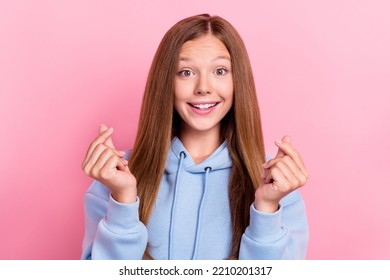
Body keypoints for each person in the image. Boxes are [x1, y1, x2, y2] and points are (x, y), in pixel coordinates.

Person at [81, 14, 309, 260]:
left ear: (238, 81)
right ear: (165, 81)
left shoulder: (278, 186)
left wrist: (266, 210)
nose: (203, 87)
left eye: (220, 71)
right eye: (186, 72)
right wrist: (123, 201)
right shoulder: (115, 176)